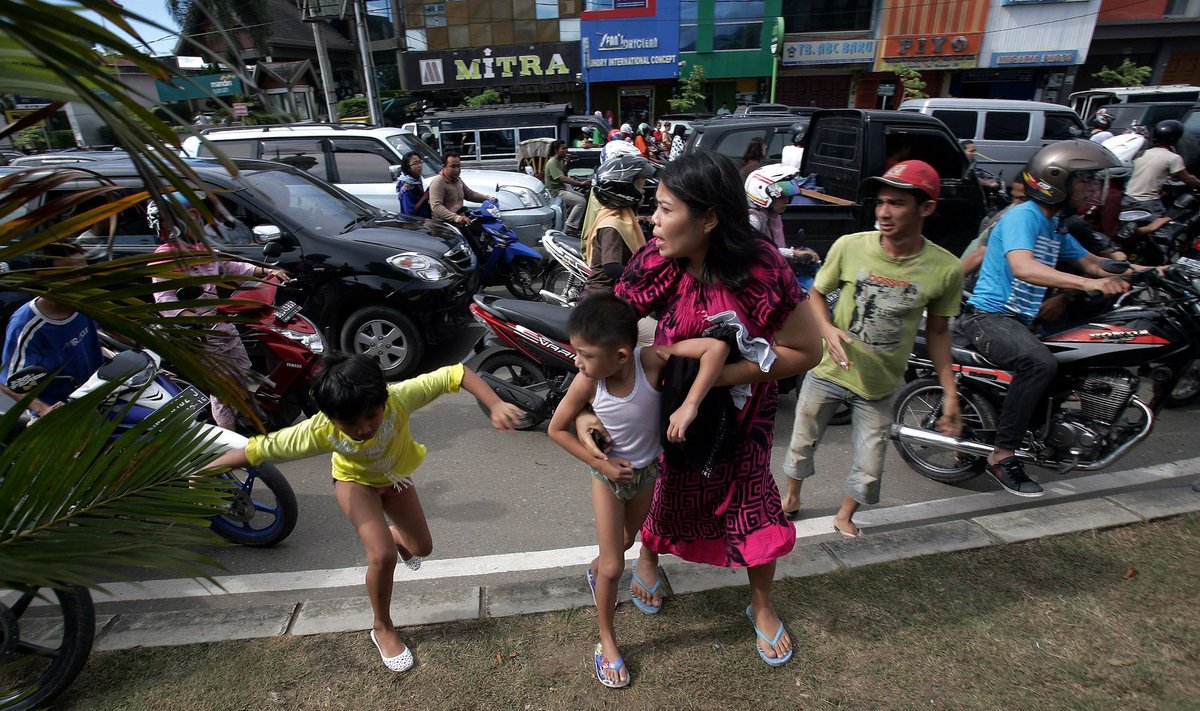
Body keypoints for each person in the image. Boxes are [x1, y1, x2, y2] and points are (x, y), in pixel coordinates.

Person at [575, 150, 824, 666]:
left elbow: (807, 351)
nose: (653, 221)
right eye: (655, 208)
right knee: (663, 490)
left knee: (752, 506)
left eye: (666, 210)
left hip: (741, 420)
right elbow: (604, 336)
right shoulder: (659, 260)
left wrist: (716, 383)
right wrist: (582, 409)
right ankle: (647, 559)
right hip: (669, 412)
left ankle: (761, 606)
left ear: (709, 218)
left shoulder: (761, 269)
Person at [209, 353, 524, 673]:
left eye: (371, 416)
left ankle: (391, 537)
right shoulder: (319, 430)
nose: (363, 429)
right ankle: (382, 627)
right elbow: (258, 449)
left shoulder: (400, 398)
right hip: (354, 483)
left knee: (421, 548)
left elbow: (455, 372)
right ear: (330, 417)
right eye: (349, 423)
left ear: (384, 398)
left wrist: (495, 404)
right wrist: (204, 467)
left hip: (394, 478)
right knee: (382, 557)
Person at [548, 292, 730, 688]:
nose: (577, 361)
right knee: (616, 565)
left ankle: (597, 571)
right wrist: (601, 464)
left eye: (586, 354)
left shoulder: (649, 360)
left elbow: (715, 349)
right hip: (607, 480)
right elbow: (556, 428)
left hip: (647, 476)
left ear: (621, 354)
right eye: (576, 351)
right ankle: (607, 642)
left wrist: (691, 404)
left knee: (627, 541)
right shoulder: (587, 382)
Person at [781, 160, 964, 535]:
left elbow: (939, 334)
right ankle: (792, 496)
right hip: (829, 370)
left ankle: (845, 515)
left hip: (880, 383)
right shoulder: (850, 246)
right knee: (802, 441)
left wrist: (950, 393)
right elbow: (816, 293)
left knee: (871, 460)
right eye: (881, 201)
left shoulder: (945, 268)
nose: (883, 211)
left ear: (925, 208)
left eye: (896, 203)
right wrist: (828, 330)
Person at [959, 139, 1146, 497]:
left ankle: (1042, 433)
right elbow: (1023, 267)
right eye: (1086, 180)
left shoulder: (1056, 224)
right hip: (989, 317)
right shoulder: (1023, 216)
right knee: (1038, 364)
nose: (1093, 187)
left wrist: (1155, 271)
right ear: (1057, 180)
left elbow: (1094, 261)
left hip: (1020, 321)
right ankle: (1002, 456)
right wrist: (1090, 282)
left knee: (1075, 358)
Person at [147, 193, 288, 430]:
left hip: (222, 325)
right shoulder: (165, 260)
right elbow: (164, 299)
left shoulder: (202, 248)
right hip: (197, 335)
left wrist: (265, 271)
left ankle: (242, 421)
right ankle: (228, 438)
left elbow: (231, 266)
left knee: (243, 371)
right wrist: (191, 318)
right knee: (223, 389)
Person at [1, 243, 101, 417]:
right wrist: (43, 409)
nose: (82, 280)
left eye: (84, 271)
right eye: (71, 276)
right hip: (64, 415)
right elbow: (9, 382)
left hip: (99, 398)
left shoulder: (87, 302)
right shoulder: (27, 324)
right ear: (46, 278)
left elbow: (112, 332)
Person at [583, 154, 655, 294]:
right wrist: (646, 279)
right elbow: (611, 267)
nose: (643, 190)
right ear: (624, 189)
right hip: (605, 297)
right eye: (639, 185)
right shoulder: (612, 226)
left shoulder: (620, 217)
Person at [1123, 119, 1200, 235]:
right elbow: (1188, 179)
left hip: (1126, 199)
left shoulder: (1141, 153)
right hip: (1148, 203)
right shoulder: (1173, 158)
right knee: (1174, 213)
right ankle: (1147, 229)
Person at [744, 166, 820, 279]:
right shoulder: (754, 220)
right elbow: (755, 249)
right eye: (781, 195)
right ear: (762, 194)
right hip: (757, 281)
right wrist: (793, 253)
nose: (787, 200)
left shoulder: (771, 217)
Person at [428, 151, 495, 228]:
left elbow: (470, 195)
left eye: (458, 166)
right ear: (444, 166)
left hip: (460, 221)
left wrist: (488, 198)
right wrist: (457, 218)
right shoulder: (438, 182)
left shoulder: (457, 180)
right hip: (445, 226)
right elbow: (436, 207)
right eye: (453, 167)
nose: (457, 170)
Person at [545, 139, 589, 237]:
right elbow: (563, 178)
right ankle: (570, 226)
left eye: (566, 148)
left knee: (583, 196)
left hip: (562, 188)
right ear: (556, 150)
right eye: (563, 149)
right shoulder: (552, 162)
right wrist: (579, 183)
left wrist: (566, 164)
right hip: (556, 192)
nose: (565, 150)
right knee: (581, 201)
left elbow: (563, 174)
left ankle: (570, 219)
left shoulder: (559, 161)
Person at [394, 151, 431, 218]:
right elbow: (409, 212)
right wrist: (424, 197)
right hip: (414, 223)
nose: (419, 166)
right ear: (408, 167)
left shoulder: (417, 180)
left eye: (420, 162)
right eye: (415, 163)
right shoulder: (406, 187)